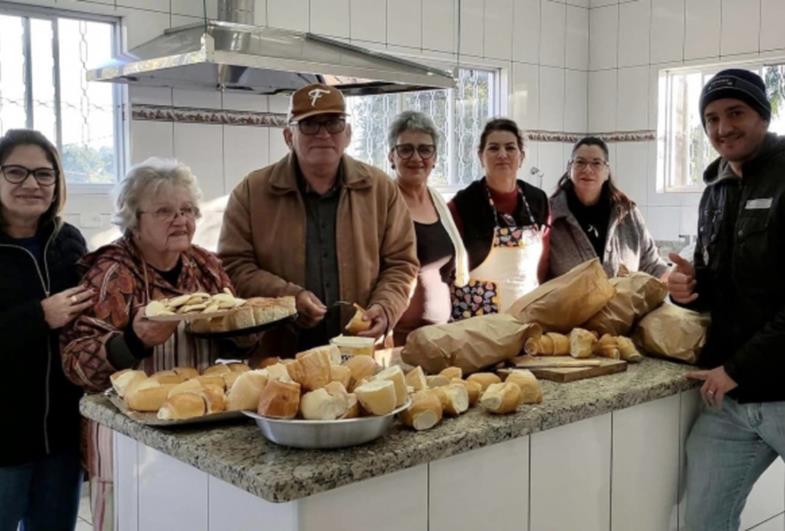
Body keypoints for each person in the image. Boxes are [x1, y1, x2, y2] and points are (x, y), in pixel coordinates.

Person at [60, 157, 236, 531]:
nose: (181, 220)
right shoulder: (110, 274)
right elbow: (75, 363)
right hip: (128, 438)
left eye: (187, 210)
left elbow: (234, 338)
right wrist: (133, 341)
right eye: (164, 211)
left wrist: (242, 330)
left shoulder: (206, 267)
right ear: (133, 220)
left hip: (196, 425)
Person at [666, 68, 785, 531]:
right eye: (711, 119)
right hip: (733, 407)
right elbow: (724, 290)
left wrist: (735, 370)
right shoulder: (715, 190)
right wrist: (691, 290)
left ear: (763, 114)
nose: (722, 128)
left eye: (736, 113)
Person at [218, 83, 418, 356]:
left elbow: (402, 263)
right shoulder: (252, 192)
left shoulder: (380, 189)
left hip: (361, 355)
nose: (323, 134)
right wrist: (289, 298)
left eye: (334, 123)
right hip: (279, 357)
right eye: (310, 124)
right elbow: (233, 266)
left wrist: (385, 307)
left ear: (347, 134)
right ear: (289, 136)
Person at [0, 129, 91, 531]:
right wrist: (39, 316)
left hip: (61, 435)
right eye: (16, 172)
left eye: (44, 174)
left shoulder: (68, 242)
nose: (31, 184)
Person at [448, 118, 550, 318]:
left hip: (526, 317)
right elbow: (447, 267)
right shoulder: (462, 204)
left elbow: (544, 260)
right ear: (481, 156)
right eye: (493, 148)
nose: (502, 155)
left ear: (521, 157)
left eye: (510, 148)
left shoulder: (537, 200)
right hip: (477, 323)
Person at [386, 111, 469, 345]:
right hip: (399, 336)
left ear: (435, 157)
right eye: (406, 149)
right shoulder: (384, 204)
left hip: (441, 335)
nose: (416, 157)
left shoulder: (439, 202)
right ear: (391, 156)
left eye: (425, 149)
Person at [548, 136, 668, 280]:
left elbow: (651, 264)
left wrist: (674, 278)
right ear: (569, 168)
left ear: (606, 171)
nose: (587, 169)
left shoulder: (627, 212)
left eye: (596, 163)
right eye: (580, 162)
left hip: (624, 302)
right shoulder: (551, 215)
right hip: (568, 303)